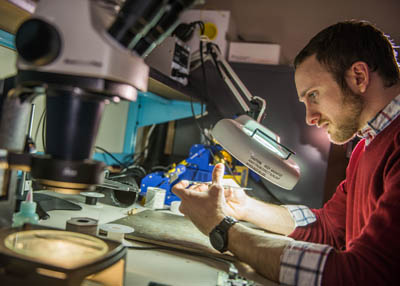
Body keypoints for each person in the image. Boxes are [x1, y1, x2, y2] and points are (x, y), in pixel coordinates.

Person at [172, 20, 400, 286]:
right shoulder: (366, 146)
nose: (310, 118)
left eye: (313, 95)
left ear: (358, 77)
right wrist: (244, 207)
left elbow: (364, 275)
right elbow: (329, 227)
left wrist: (221, 228)